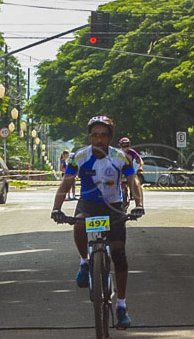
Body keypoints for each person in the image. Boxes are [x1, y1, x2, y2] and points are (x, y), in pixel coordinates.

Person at [51, 115, 144, 328]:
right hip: (89, 204)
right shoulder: (78, 157)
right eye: (95, 136)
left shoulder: (121, 158)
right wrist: (56, 209)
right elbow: (66, 183)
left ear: (110, 137)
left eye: (103, 136)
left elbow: (133, 181)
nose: (99, 140)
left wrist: (138, 204)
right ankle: (85, 262)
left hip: (114, 207)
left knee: (119, 253)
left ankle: (121, 305)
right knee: (79, 224)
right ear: (90, 137)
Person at [118, 137, 143, 207]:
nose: (126, 147)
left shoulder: (132, 152)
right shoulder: (117, 153)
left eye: (127, 145)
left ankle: (138, 203)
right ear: (120, 145)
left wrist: (141, 167)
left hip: (129, 169)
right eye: (124, 145)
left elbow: (140, 160)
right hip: (120, 171)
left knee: (135, 182)